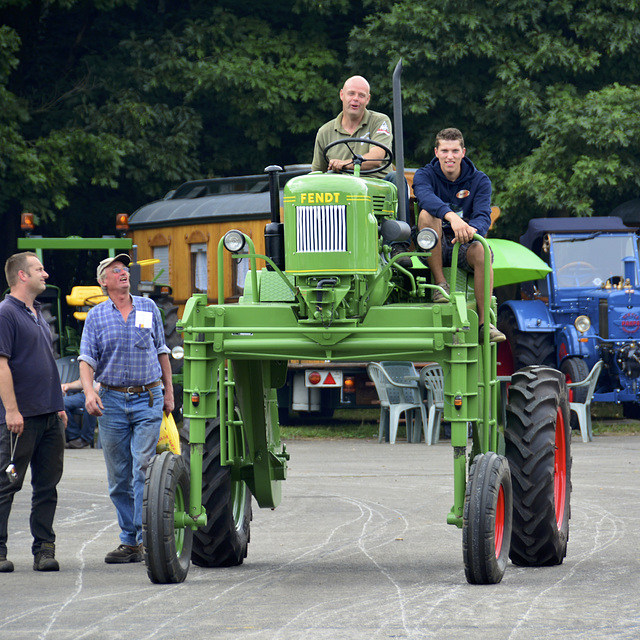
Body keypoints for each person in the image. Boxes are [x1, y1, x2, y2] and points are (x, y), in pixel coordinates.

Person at [78, 254, 174, 564]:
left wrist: (168, 391)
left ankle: (146, 536)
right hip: (112, 402)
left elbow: (162, 350)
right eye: (114, 270)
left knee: (141, 468)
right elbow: (86, 360)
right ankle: (130, 542)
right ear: (103, 281)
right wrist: (89, 391)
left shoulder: (148, 308)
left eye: (124, 269)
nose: (123, 273)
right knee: (118, 477)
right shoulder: (96, 317)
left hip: (148, 398)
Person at [0, 252, 67, 573]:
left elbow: (45, 365)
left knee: (47, 487)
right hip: (20, 420)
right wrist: (11, 410)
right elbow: (1, 365)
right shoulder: (6, 313)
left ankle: (44, 550)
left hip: (50, 416)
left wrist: (58, 407)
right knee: (6, 483)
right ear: (22, 276)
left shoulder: (37, 312)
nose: (46, 273)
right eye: (39, 269)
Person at [412, 127, 506, 343]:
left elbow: (483, 215)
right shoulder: (424, 175)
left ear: (463, 152)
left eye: (455, 151)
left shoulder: (480, 180)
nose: (450, 156)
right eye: (445, 151)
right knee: (427, 214)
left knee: (482, 249)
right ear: (436, 152)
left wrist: (471, 231)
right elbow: (425, 198)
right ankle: (441, 286)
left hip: (464, 242)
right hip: (432, 243)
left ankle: (485, 323)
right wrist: (453, 218)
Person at [312, 75, 411, 263]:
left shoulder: (379, 121)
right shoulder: (325, 132)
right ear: (342, 95)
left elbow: (378, 155)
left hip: (377, 191)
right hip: (340, 196)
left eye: (361, 95)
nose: (355, 99)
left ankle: (397, 246)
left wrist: (345, 164)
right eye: (351, 94)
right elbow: (316, 173)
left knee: (397, 179)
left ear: (368, 99)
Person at [62, 378, 99, 449]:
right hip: (83, 394)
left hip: (99, 395)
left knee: (90, 405)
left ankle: (86, 439)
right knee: (61, 404)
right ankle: (74, 437)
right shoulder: (89, 367)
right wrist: (68, 385)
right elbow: (82, 382)